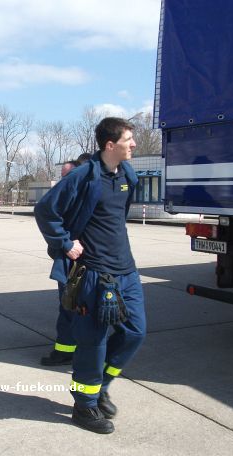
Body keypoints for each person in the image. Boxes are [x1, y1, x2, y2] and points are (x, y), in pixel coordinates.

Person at [34, 118, 146, 434]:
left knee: (136, 332)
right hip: (94, 272)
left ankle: (101, 386)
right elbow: (46, 210)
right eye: (128, 139)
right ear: (110, 145)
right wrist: (65, 243)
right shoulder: (84, 176)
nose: (134, 144)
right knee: (93, 340)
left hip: (126, 269)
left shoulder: (127, 174)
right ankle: (84, 406)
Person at [39, 154, 87, 367]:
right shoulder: (67, 197)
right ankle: (66, 349)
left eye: (68, 176)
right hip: (69, 262)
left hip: (83, 263)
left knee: (76, 309)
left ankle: (71, 350)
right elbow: (47, 215)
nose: (64, 181)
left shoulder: (86, 197)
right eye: (62, 176)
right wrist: (64, 245)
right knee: (68, 306)